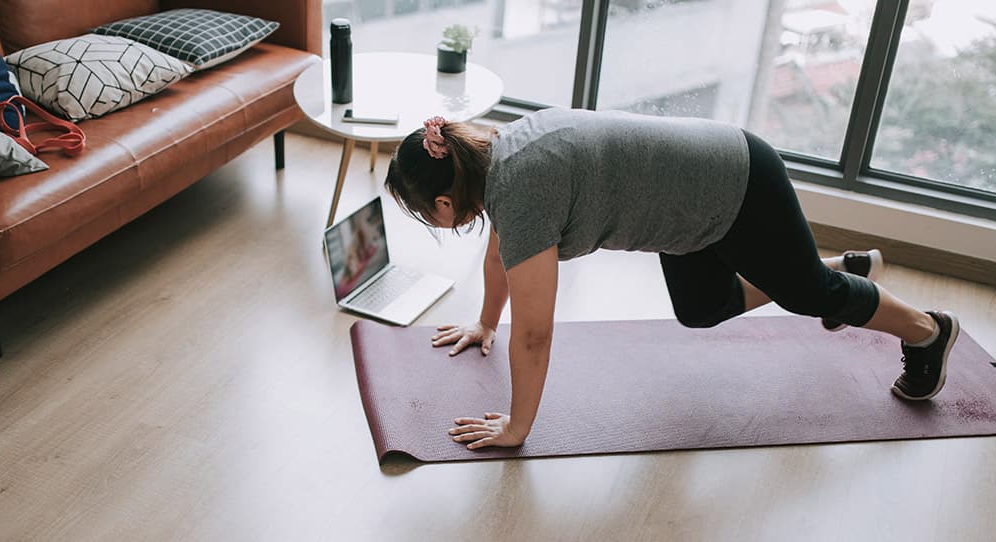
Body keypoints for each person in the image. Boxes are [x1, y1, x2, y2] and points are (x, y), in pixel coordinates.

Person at [383, 110, 961, 451]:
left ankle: (928, 331)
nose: (430, 222)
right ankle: (838, 269)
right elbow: (500, 253)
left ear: (443, 201)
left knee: (812, 295)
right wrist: (486, 322)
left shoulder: (519, 191)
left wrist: (518, 427)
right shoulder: (497, 155)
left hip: (734, 183)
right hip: (689, 205)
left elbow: (534, 334)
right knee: (702, 308)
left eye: (424, 214)